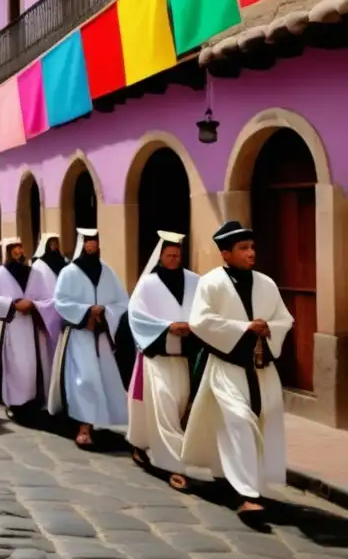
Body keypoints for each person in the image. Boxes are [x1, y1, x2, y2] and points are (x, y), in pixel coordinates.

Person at [181, 221, 293, 520]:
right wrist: (244, 328)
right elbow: (200, 322)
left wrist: (270, 328)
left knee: (263, 422)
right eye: (243, 248)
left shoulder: (266, 283)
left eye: (252, 247)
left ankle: (235, 477)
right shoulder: (211, 283)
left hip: (262, 370)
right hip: (226, 369)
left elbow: (285, 319)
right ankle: (247, 495)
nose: (250, 253)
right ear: (225, 254)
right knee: (239, 422)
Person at [126, 231, 201, 491]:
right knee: (165, 407)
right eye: (169, 255)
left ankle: (143, 443)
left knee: (178, 406)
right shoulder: (148, 283)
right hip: (158, 356)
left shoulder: (194, 281)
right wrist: (168, 326)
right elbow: (136, 315)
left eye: (177, 256)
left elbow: (204, 310)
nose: (174, 260)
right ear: (160, 256)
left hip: (183, 357)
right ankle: (173, 465)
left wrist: (192, 327)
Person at [49, 228, 129, 448]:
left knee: (105, 379)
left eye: (95, 242)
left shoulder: (108, 272)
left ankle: (98, 422)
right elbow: (61, 302)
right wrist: (86, 311)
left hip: (101, 336)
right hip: (79, 335)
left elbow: (122, 301)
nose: (92, 246)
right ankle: (83, 426)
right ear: (82, 245)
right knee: (85, 379)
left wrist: (103, 310)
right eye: (88, 242)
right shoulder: (69, 272)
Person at [0, 237, 61, 423]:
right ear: (8, 252)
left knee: (33, 367)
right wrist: (12, 304)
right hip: (11, 328)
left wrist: (33, 304)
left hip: (32, 329)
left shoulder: (35, 274)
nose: (18, 252)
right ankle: (14, 403)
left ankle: (32, 401)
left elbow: (49, 300)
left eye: (20, 247)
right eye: (14, 249)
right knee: (15, 367)